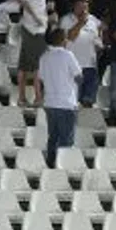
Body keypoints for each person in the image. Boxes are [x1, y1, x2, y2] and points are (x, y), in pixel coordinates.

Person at [33, 27, 81, 169]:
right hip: (66, 102)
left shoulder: (44, 57)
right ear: (63, 40)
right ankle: (63, 166)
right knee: (66, 138)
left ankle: (51, 164)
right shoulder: (68, 55)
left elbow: (40, 78)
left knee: (53, 137)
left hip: (50, 102)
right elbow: (78, 76)